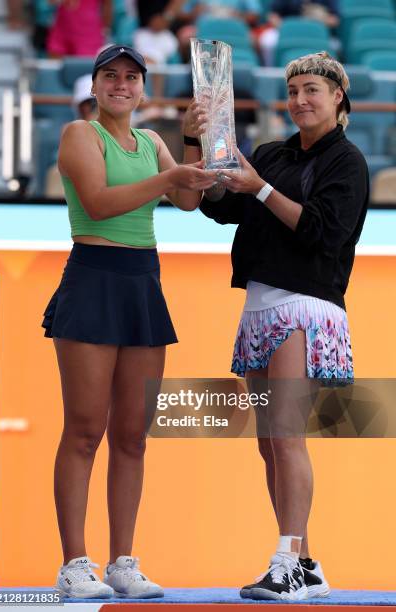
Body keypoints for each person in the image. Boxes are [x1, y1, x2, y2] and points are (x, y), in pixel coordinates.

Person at [42, 44, 215, 599]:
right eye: (110, 75)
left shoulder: (153, 142)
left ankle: (122, 563)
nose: (121, 84)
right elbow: (97, 202)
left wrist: (191, 137)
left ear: (143, 87)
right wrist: (170, 180)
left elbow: (188, 200)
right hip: (93, 278)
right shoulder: (79, 135)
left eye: (131, 77)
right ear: (94, 85)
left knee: (133, 437)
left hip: (142, 282)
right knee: (85, 429)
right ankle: (74, 564)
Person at [200, 51, 369, 600]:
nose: (300, 100)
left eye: (312, 90)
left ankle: (286, 559)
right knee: (270, 443)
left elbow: (322, 231)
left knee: (288, 436)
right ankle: (305, 562)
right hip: (259, 302)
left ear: (337, 96)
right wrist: (201, 141)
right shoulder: (272, 153)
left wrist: (261, 190)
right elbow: (220, 206)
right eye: (293, 90)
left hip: (307, 304)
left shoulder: (347, 162)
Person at [258, 0, 340, 66]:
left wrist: (322, 18)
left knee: (336, 45)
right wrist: (289, 28)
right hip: (287, 34)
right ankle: (271, 71)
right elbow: (272, 16)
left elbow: (335, 20)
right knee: (268, 41)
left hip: (315, 34)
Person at [47, 0, 112, 58]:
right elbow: (51, 1)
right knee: (56, 67)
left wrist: (106, 28)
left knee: (84, 68)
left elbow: (107, 5)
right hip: (61, 30)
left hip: (88, 34)